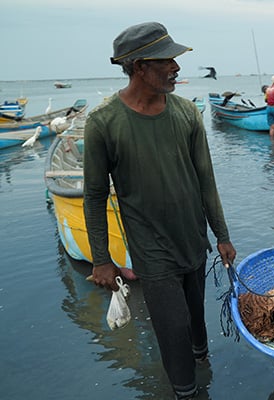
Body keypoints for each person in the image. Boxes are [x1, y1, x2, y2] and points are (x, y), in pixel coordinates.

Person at [83, 22, 237, 400]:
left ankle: (203, 366)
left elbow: (206, 181)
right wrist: (101, 260)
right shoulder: (103, 122)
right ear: (139, 66)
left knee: (197, 327)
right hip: (152, 253)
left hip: (192, 241)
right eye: (167, 60)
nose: (176, 67)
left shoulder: (187, 114)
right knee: (172, 334)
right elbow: (94, 195)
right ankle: (186, 392)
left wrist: (222, 235)